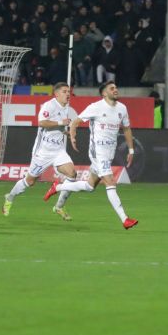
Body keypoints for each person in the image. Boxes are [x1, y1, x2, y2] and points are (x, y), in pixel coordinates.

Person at [44, 81, 138, 229]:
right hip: (97, 152)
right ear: (104, 93)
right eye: (112, 88)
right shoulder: (96, 107)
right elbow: (75, 122)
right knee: (110, 182)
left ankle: (58, 187)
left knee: (89, 186)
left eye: (116, 88)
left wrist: (131, 150)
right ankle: (125, 219)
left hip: (109, 153)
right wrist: (73, 138)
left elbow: (126, 129)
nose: (115, 90)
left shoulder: (122, 108)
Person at [4, 82, 79, 220]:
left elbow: (59, 127)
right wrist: (61, 123)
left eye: (68, 91)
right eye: (64, 91)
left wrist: (68, 133)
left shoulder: (65, 107)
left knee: (72, 174)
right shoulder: (49, 105)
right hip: (43, 152)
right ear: (56, 94)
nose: (68, 94)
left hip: (58, 151)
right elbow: (42, 122)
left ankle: (59, 206)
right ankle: (10, 197)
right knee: (30, 181)